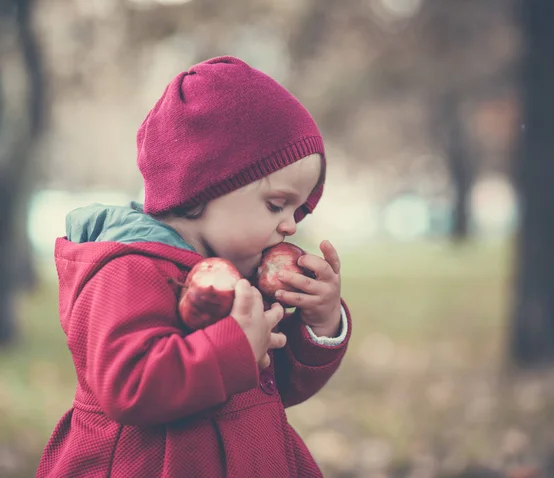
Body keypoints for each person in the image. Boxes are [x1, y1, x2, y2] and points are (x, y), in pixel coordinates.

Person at [37, 56, 352, 478]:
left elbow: (274, 385)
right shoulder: (128, 269)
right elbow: (130, 384)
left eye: (300, 210)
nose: (290, 225)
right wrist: (236, 347)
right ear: (201, 189)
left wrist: (321, 321)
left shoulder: (238, 276)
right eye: (277, 204)